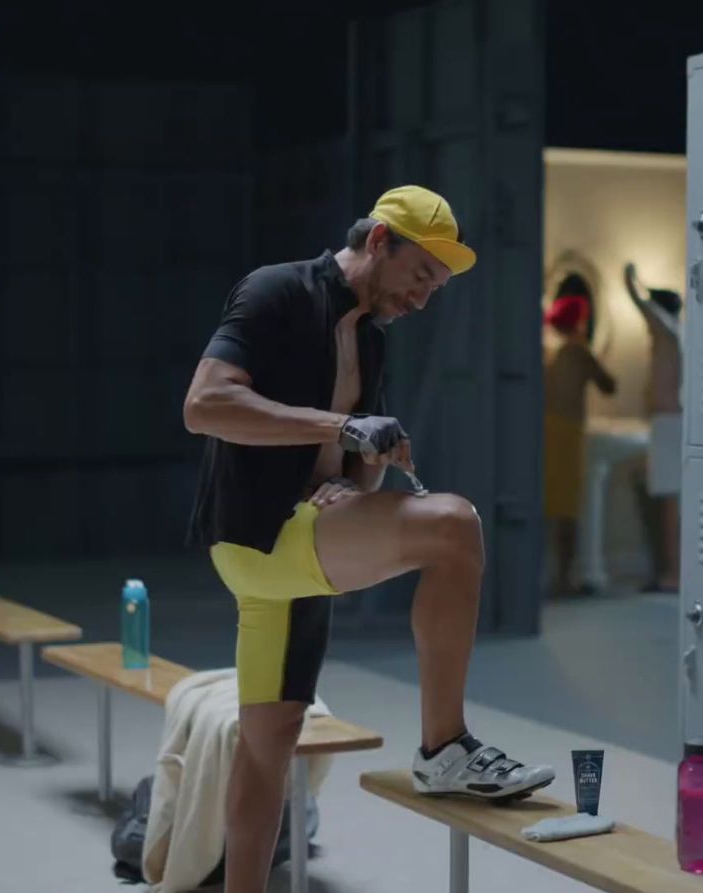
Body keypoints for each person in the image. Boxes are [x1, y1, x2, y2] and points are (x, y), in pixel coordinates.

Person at [182, 185, 556, 893]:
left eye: (437, 289)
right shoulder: (277, 292)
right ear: (379, 241)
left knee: (267, 753)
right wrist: (339, 426)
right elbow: (203, 405)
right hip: (258, 537)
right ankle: (444, 746)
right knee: (455, 524)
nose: (423, 298)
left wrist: (365, 468)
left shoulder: (371, 341)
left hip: (299, 553)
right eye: (420, 276)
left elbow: (359, 480)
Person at [541, 284, 617, 595]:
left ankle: (555, 575)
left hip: (549, 428)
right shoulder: (580, 350)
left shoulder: (558, 353)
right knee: (567, 508)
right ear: (582, 320)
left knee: (552, 502)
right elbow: (610, 385)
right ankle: (564, 577)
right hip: (568, 431)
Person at [624, 263, 682, 593]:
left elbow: (641, 303)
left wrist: (631, 277)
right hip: (669, 424)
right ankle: (671, 570)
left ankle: (672, 574)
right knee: (667, 502)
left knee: (669, 503)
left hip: (667, 425)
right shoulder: (673, 333)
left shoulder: (664, 329)